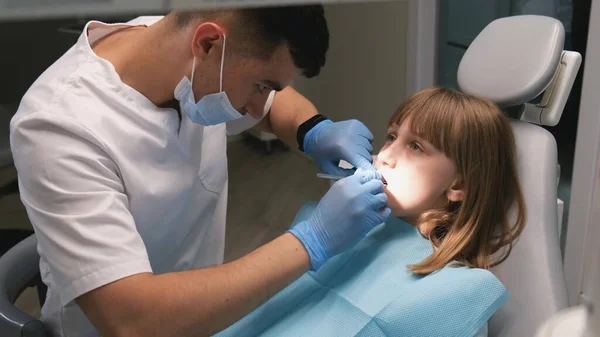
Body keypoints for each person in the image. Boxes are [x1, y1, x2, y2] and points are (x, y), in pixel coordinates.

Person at [9, 7, 390, 337]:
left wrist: (313, 130)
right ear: (207, 44)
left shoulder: (185, 51)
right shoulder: (59, 127)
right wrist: (313, 241)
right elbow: (134, 323)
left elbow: (274, 101)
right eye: (259, 85)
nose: (260, 108)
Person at [216, 86, 527, 336]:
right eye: (392, 136)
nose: (386, 155)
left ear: (459, 185)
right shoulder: (341, 229)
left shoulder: (456, 293)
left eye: (416, 146)